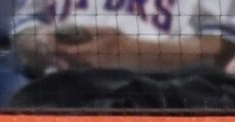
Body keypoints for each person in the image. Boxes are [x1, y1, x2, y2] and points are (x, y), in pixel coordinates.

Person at [13, 0, 235, 75]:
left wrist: (129, 51)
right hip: (62, 96)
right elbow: (24, 26)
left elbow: (221, 48)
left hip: (160, 98)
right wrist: (42, 41)